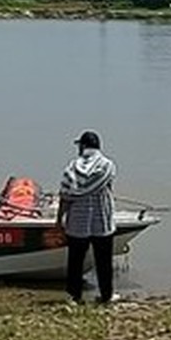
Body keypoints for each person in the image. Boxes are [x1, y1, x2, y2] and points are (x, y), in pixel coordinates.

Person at [57, 130, 117, 305]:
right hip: (102, 221)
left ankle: (74, 296)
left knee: (75, 261)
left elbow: (65, 196)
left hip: (77, 222)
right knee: (104, 261)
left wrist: (59, 220)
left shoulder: (72, 168)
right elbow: (108, 189)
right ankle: (106, 296)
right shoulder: (108, 166)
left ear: (83, 146)